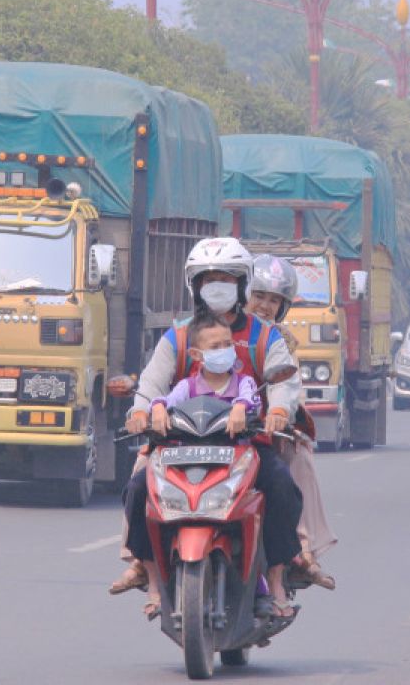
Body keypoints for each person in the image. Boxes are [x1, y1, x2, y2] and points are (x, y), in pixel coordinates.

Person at [116, 238, 304, 619]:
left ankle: (277, 578)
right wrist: (142, 411)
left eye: (226, 278)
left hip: (246, 444)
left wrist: (280, 409)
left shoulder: (264, 335)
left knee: (282, 487)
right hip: (180, 443)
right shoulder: (179, 336)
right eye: (208, 279)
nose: (217, 285)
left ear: (242, 283)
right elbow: (153, 382)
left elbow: (284, 382)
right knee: (137, 489)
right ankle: (148, 572)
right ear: (195, 286)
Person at [123, 314, 261, 617]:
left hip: (233, 464)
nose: (225, 350)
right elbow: (164, 400)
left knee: (271, 494)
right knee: (137, 490)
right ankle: (152, 577)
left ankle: (265, 576)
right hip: (186, 463)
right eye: (216, 346)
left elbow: (251, 401)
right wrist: (155, 410)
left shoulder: (243, 384)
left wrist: (241, 407)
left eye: (228, 344)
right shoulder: (187, 387)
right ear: (197, 355)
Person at [246, 254, 337, 591]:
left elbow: (286, 384)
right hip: (212, 429)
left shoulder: (280, 340)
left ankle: (303, 552)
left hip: (263, 430)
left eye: (273, 300)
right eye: (259, 296)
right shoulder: (216, 330)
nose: (265, 306)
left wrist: (281, 411)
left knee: (298, 456)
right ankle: (145, 561)